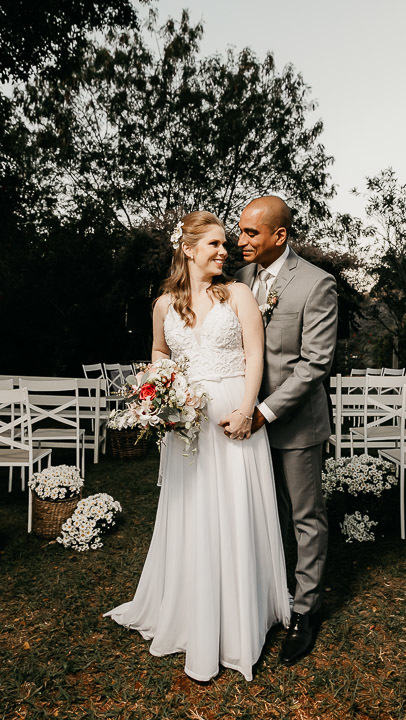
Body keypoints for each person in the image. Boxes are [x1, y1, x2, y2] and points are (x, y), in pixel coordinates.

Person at [105, 210, 291, 682]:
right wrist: (160, 391)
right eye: (214, 244)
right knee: (193, 512)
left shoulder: (240, 295)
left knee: (234, 510)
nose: (225, 251)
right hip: (185, 422)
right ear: (188, 249)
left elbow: (254, 357)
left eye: (226, 244)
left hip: (232, 410)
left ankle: (238, 617)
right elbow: (160, 353)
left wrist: (248, 409)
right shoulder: (164, 305)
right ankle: (192, 613)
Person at [234, 196, 338, 665]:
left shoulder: (317, 284)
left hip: (295, 425)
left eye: (251, 233)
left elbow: (315, 365)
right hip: (246, 425)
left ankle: (306, 611)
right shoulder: (238, 281)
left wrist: (265, 412)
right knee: (264, 514)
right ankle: (273, 597)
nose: (241, 241)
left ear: (279, 236)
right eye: (239, 231)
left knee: (304, 518)